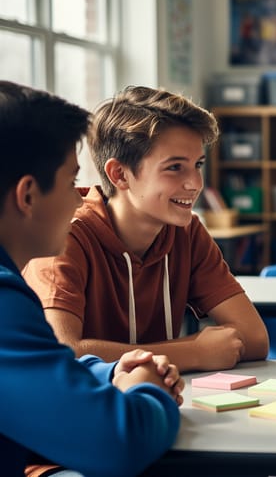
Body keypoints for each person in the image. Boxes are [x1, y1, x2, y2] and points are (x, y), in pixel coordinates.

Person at [0, 81, 183, 477]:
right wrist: (145, 388)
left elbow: (33, 371)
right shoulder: (3, 302)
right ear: (27, 196)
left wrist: (111, 371)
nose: (80, 199)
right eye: (70, 182)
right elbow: (120, 441)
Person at [23, 86, 268, 372]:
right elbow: (62, 351)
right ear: (120, 174)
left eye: (198, 165)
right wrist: (193, 353)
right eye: (175, 167)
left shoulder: (185, 232)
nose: (195, 183)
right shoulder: (62, 237)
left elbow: (254, 338)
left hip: (154, 399)